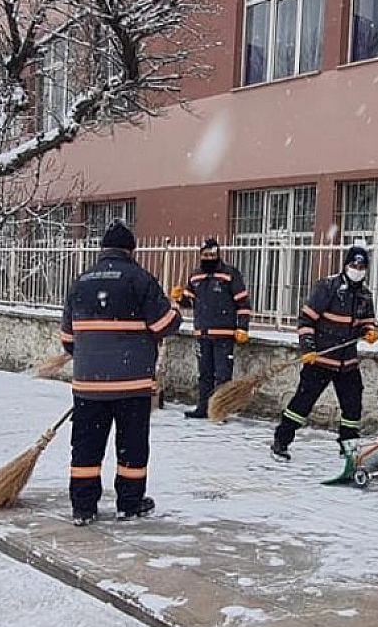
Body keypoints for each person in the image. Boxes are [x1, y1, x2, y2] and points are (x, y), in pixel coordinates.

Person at [60, 222, 182, 525]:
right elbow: (165, 325)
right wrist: (176, 309)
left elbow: (67, 339)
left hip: (88, 385)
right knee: (131, 445)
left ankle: (83, 507)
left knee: (86, 446)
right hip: (133, 384)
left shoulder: (80, 282)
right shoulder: (140, 280)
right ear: (131, 250)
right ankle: (129, 503)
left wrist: (94, 361)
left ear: (103, 249)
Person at [270, 245, 378, 461]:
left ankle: (348, 446)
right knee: (302, 404)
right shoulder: (328, 288)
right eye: (353, 265)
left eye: (361, 266)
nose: (357, 269)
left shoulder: (365, 295)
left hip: (347, 362)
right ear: (346, 265)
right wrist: (308, 349)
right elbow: (306, 319)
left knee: (352, 406)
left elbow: (367, 321)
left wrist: (370, 332)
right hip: (320, 359)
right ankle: (281, 441)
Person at [171, 238, 252, 418]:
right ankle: (204, 408)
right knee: (205, 374)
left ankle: (220, 410)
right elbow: (190, 301)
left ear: (218, 255)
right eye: (206, 255)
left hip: (224, 333)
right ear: (200, 256)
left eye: (212, 255)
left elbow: (243, 303)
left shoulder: (230, 274)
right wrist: (179, 297)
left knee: (223, 375)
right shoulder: (195, 276)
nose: (209, 258)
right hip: (202, 332)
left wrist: (243, 327)